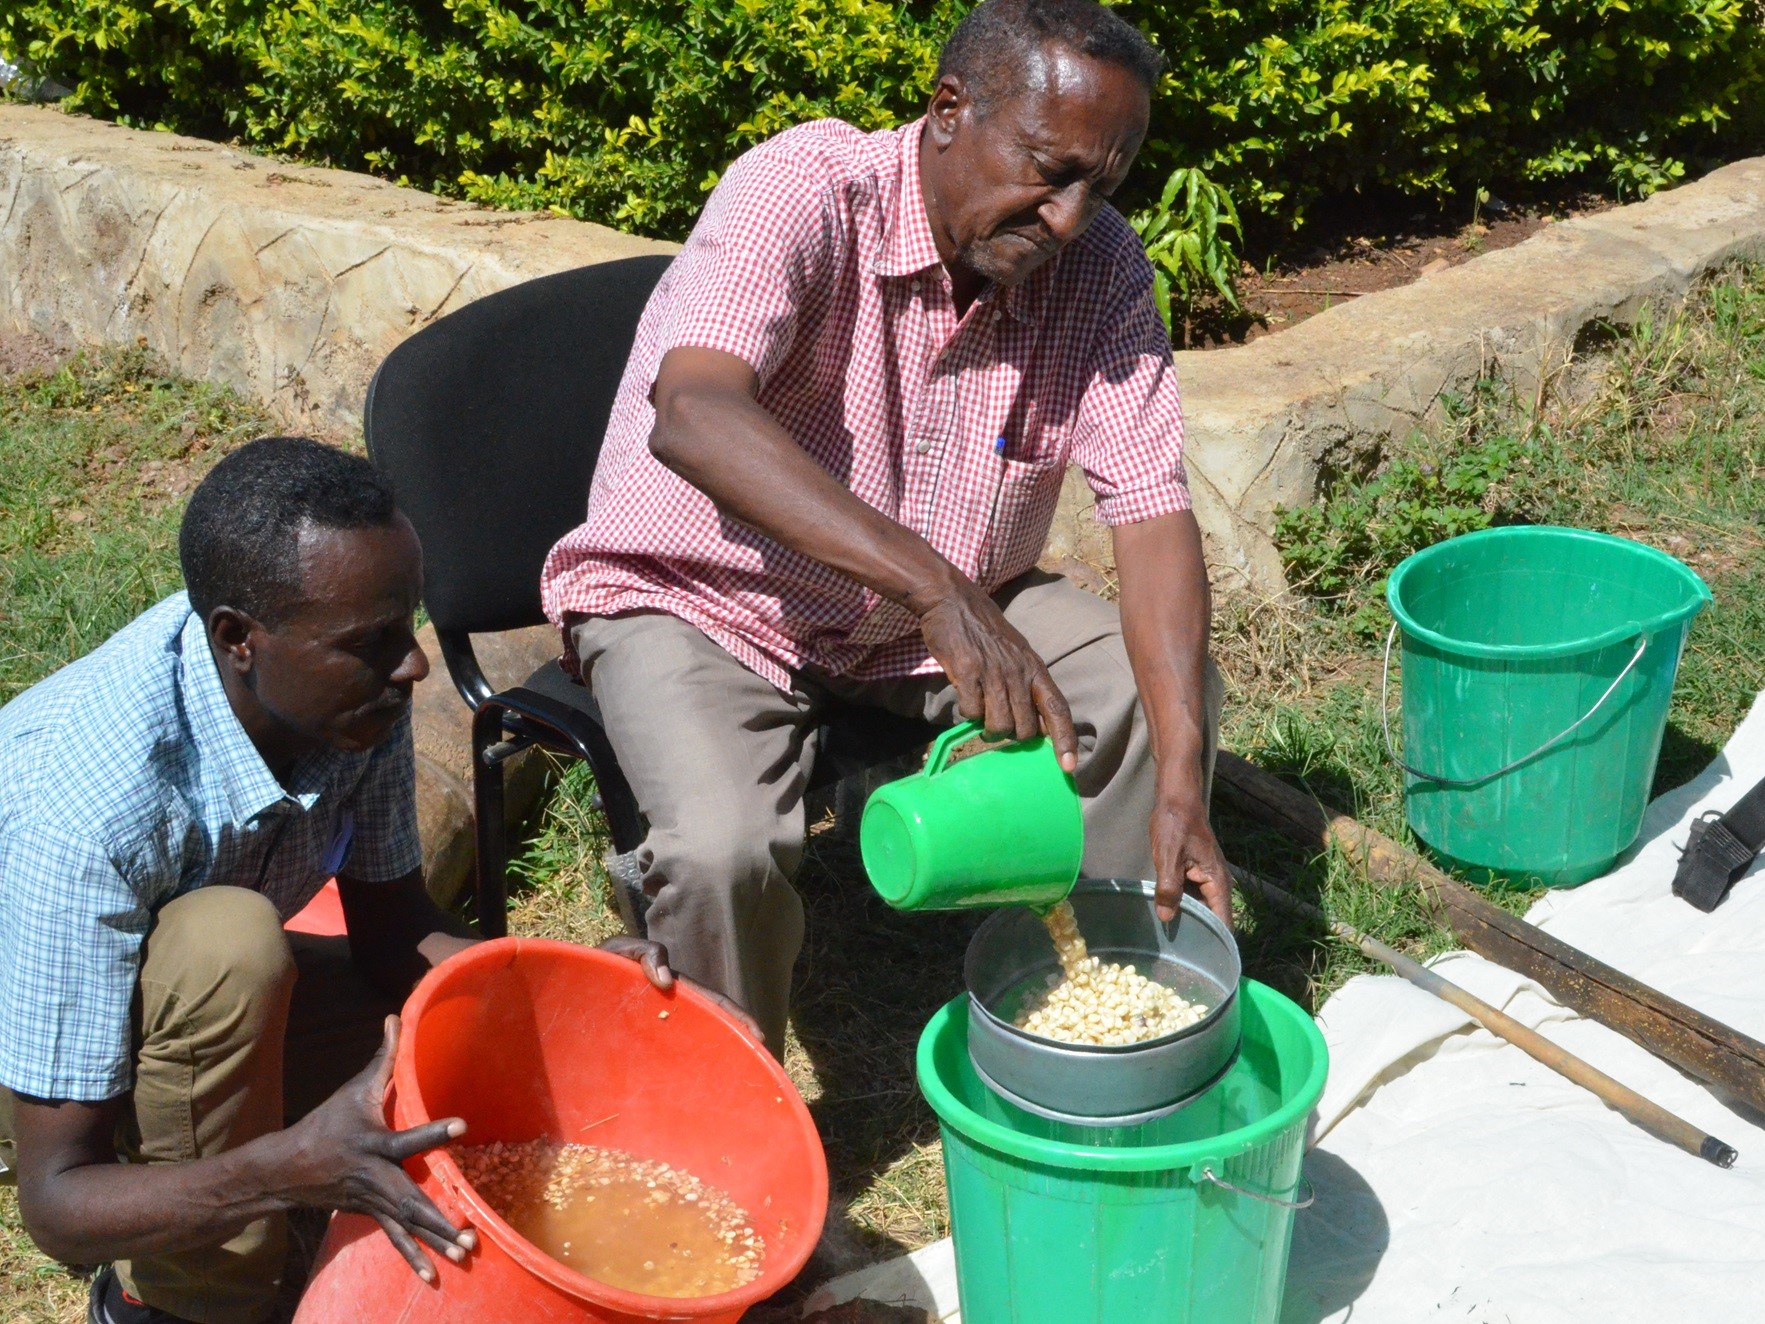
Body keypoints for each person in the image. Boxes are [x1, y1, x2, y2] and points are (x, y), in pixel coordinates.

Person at [541, 0, 1231, 1058]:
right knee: (721, 850)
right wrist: (933, 588)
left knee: (1137, 693)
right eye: (1048, 169)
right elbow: (693, 415)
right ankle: (734, 1127)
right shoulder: (806, 189)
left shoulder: (1100, 269)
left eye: (1103, 185)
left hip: (928, 615)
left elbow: (1149, 509)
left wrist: (1184, 768)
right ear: (948, 110)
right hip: (706, 600)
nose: (1070, 217)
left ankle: (1078, 1009)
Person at [0, 437, 690, 1324]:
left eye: (407, 623)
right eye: (372, 642)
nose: (412, 665)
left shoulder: (340, 686)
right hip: (43, 1056)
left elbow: (393, 928)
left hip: (172, 1009)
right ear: (236, 640)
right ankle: (172, 1303)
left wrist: (566, 991)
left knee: (462, 1042)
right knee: (228, 946)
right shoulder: (89, 809)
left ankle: (240, 1161)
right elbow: (56, 1202)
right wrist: (286, 1166)